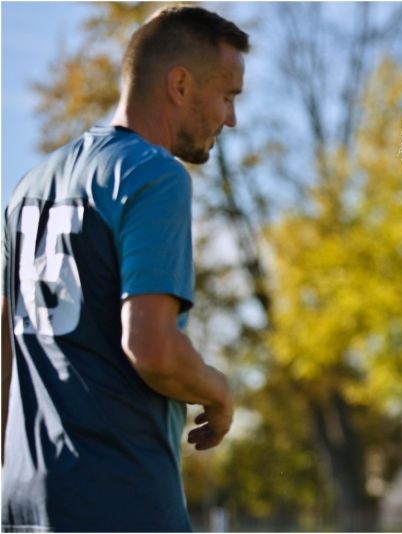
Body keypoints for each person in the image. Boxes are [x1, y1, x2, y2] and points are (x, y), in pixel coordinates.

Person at [1, 6, 249, 531]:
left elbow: (5, 346)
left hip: (21, 503)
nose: (231, 118)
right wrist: (217, 390)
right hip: (117, 498)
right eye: (227, 96)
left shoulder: (26, 187)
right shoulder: (153, 173)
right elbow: (153, 349)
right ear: (180, 85)